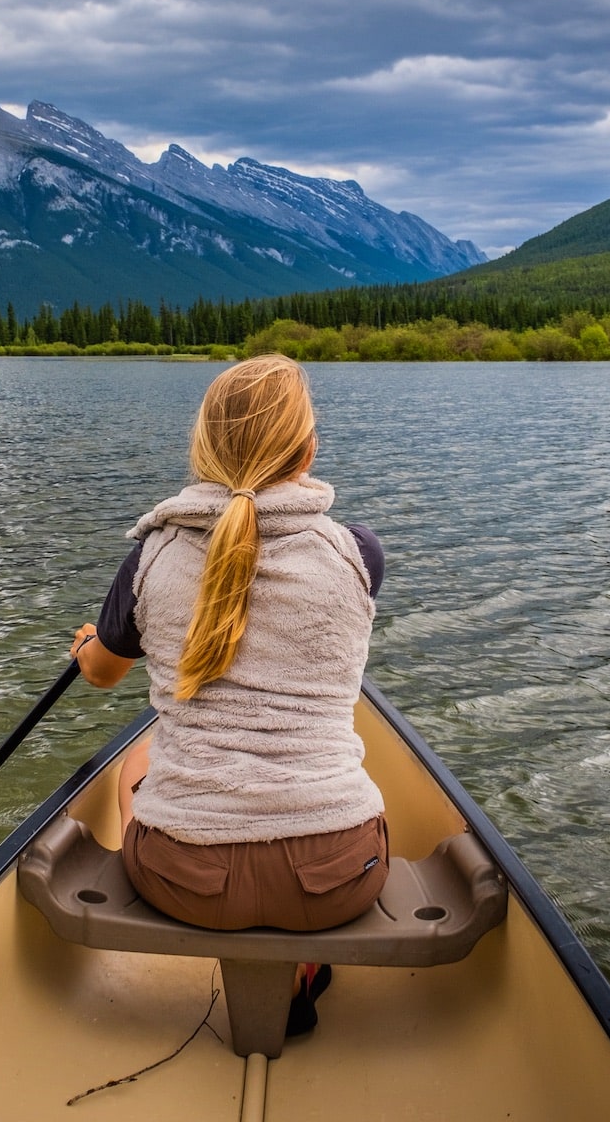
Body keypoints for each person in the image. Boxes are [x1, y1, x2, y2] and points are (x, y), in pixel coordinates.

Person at [69, 354, 388, 1033]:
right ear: (307, 451)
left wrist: (89, 643)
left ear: (205, 449)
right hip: (340, 878)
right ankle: (301, 965)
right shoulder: (359, 554)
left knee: (136, 763)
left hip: (185, 883)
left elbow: (101, 672)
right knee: (350, 771)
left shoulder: (150, 556)